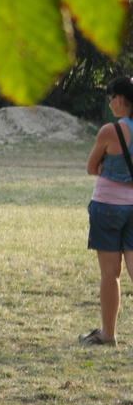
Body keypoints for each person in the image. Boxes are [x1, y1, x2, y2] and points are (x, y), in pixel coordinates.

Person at [81, 76, 133, 344]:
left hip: (107, 207)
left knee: (110, 274)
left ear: (120, 99)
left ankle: (108, 334)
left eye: (110, 97)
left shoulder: (110, 131)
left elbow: (91, 167)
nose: (109, 103)